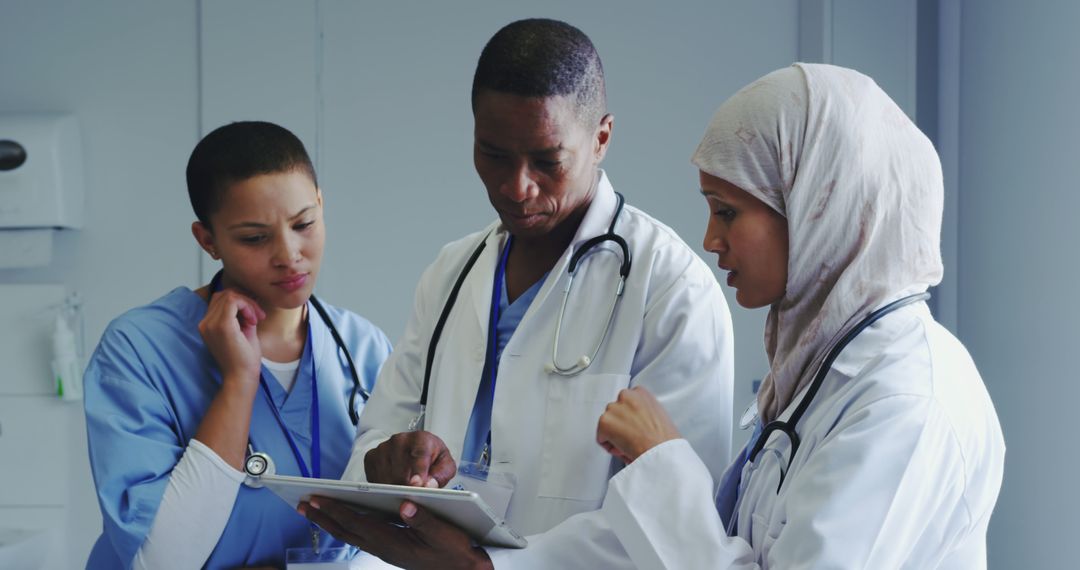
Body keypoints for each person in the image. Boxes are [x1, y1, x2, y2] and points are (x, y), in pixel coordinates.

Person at [299, 18, 734, 569]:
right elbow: (377, 438)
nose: (515, 186)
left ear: (601, 138)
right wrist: (389, 464)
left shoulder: (670, 289)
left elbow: (679, 526)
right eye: (494, 154)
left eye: (547, 161)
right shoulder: (453, 271)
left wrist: (491, 568)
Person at [595, 63, 1006, 568]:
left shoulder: (906, 400)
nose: (710, 241)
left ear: (817, 208)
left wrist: (664, 466)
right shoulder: (822, 367)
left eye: (726, 211)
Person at [83, 121, 392, 569]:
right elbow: (161, 559)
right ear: (208, 240)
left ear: (322, 205)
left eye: (304, 223)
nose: (289, 254)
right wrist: (238, 382)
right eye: (255, 238)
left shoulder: (362, 347)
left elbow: (385, 536)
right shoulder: (138, 350)